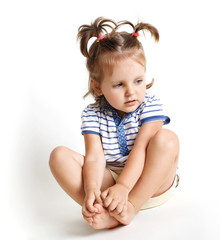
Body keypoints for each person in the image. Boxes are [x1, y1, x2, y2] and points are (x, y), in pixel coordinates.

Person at [49, 17, 179, 229]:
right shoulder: (92, 114)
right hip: (112, 186)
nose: (131, 92)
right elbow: (94, 158)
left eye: (138, 81)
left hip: (152, 183)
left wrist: (125, 188)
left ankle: (130, 208)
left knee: (168, 139)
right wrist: (91, 188)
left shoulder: (150, 106)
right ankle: (99, 208)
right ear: (98, 86)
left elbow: (140, 149)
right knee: (59, 156)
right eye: (119, 84)